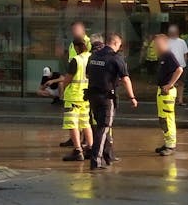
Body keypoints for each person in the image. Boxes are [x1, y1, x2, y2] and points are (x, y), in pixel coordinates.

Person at [84, 33, 136, 170]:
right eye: (119, 45)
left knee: (101, 126)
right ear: (115, 43)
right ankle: (96, 160)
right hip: (107, 97)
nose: (119, 48)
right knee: (104, 127)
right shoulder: (115, 58)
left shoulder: (93, 56)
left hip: (93, 96)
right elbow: (125, 78)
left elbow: (87, 74)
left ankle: (107, 155)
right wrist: (132, 97)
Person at [57, 37, 91, 161]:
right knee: (86, 123)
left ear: (76, 47)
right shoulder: (91, 57)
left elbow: (68, 79)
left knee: (73, 124)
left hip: (73, 97)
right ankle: (90, 148)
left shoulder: (76, 60)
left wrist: (62, 91)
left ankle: (77, 151)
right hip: (86, 96)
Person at [152, 33, 184, 156]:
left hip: (167, 92)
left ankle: (170, 145)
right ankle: (167, 142)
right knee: (163, 118)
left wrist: (170, 84)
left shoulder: (168, 55)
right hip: (162, 91)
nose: (155, 47)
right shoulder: (163, 56)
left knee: (167, 119)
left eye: (157, 44)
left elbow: (179, 69)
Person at [166, 25, 188, 105]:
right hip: (171, 66)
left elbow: (185, 54)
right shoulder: (167, 41)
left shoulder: (182, 42)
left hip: (181, 65)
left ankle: (180, 100)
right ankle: (172, 99)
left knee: (181, 83)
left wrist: (184, 63)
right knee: (172, 83)